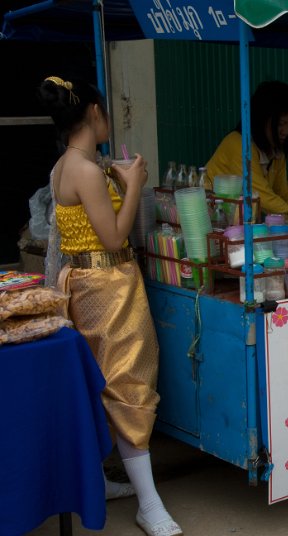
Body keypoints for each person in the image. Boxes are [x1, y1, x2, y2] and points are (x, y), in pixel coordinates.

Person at [37, 75, 182, 536]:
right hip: (108, 286)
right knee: (128, 385)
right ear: (96, 112)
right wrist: (135, 182)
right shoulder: (83, 169)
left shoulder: (69, 165)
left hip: (88, 283)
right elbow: (115, 236)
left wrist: (116, 178)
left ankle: (102, 480)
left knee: (99, 386)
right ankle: (149, 502)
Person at [205, 80, 288, 220]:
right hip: (212, 217)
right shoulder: (239, 144)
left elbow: (283, 191)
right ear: (263, 119)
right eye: (281, 124)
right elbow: (262, 195)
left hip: (234, 219)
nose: (286, 131)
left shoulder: (277, 151)